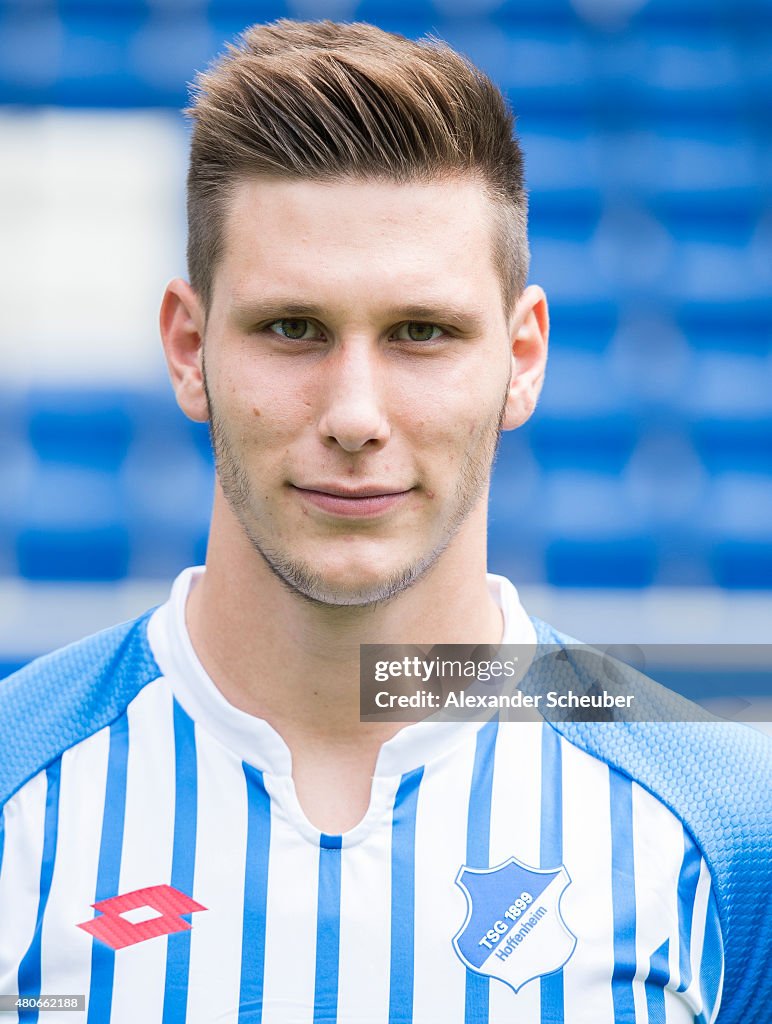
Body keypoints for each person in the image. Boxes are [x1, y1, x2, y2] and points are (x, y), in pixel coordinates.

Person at [0, 18, 769, 1024]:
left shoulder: (726, 827)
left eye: (421, 332)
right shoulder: (21, 788)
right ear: (189, 348)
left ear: (523, 356)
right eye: (291, 328)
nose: (355, 414)